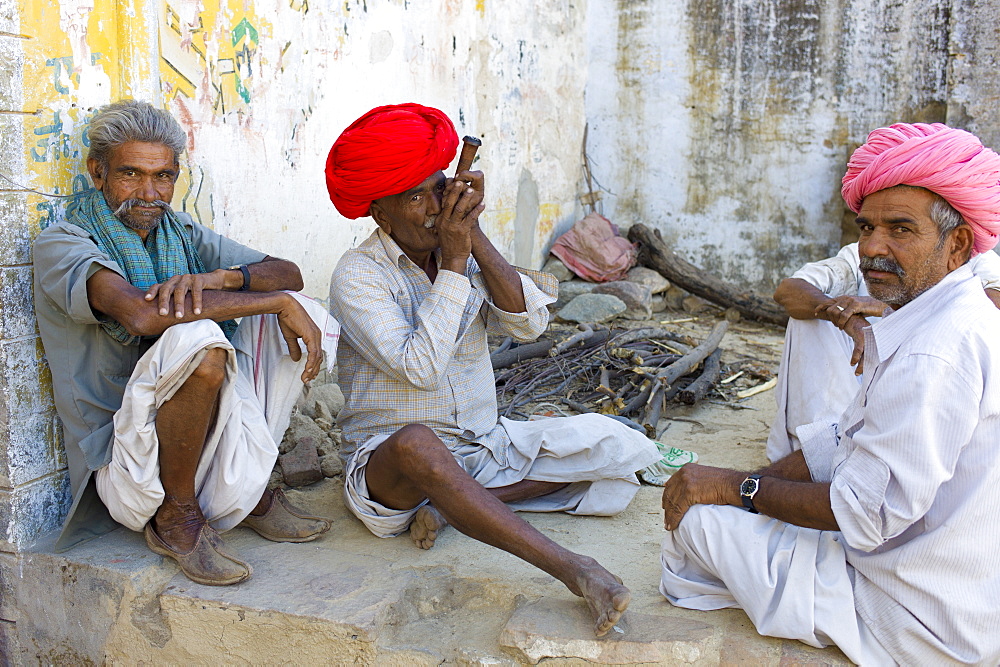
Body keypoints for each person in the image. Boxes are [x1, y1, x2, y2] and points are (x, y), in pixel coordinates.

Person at [658, 122, 1000, 664]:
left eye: (901, 230)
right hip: (951, 584)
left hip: (917, 616)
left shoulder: (935, 350)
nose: (873, 249)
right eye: (866, 228)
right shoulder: (943, 315)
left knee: (697, 527)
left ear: (957, 244)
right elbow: (847, 440)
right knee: (721, 503)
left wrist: (737, 488)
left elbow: (862, 515)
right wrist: (748, 484)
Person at [325, 103, 664, 636]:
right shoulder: (358, 275)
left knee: (624, 448)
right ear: (379, 213)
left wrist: (472, 235)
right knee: (418, 443)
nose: (434, 209)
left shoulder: (457, 243)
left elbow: (528, 326)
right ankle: (577, 571)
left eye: (439, 190)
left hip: (485, 450)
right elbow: (420, 368)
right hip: (392, 472)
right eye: (415, 197)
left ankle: (451, 507)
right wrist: (456, 264)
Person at [34, 100, 339, 586]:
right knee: (200, 339)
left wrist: (229, 277)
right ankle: (178, 518)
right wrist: (272, 301)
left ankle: (247, 487)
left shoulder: (178, 231)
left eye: (164, 177)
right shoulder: (64, 243)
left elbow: (289, 273)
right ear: (97, 172)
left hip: (190, 437)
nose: (150, 193)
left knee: (307, 315)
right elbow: (139, 314)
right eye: (131, 174)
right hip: (125, 464)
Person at [767, 240, 1000, 462]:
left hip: (925, 396)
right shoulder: (865, 255)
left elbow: (992, 305)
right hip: (857, 385)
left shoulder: (976, 261)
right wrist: (850, 321)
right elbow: (788, 290)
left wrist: (882, 307)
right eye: (869, 227)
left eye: (901, 228)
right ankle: (820, 452)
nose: (878, 241)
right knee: (809, 315)